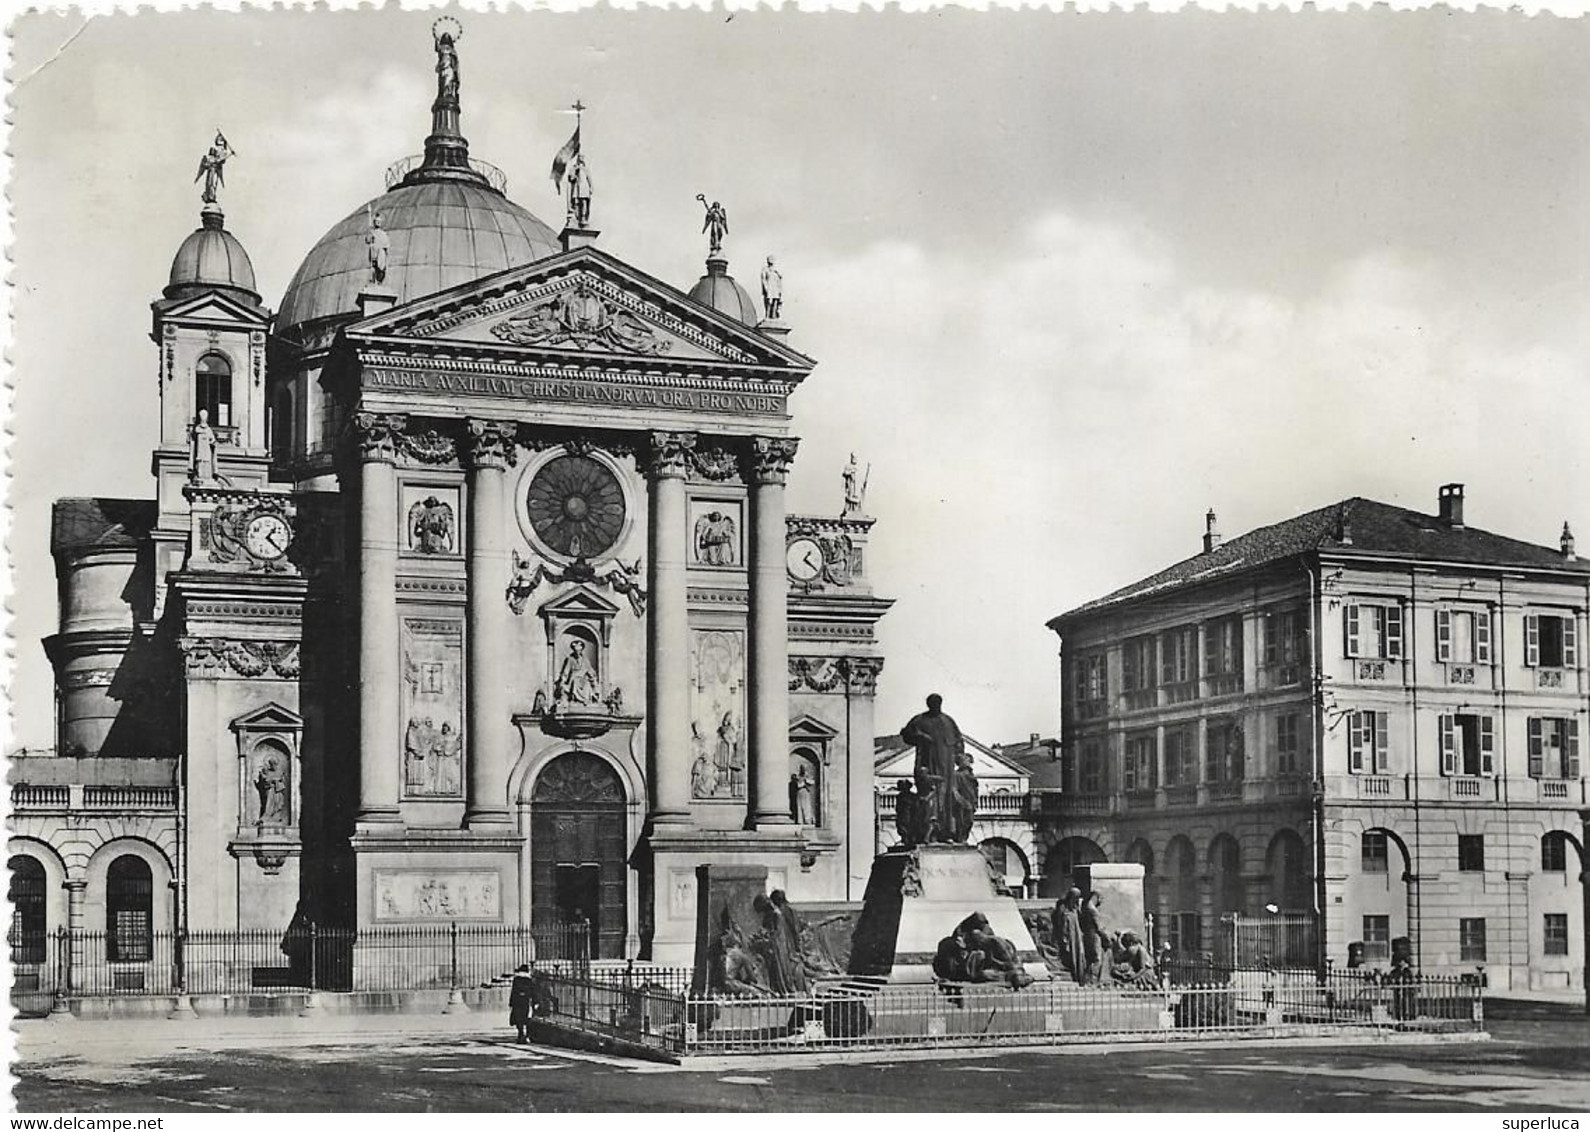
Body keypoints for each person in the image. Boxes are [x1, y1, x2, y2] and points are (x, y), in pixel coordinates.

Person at [900, 694, 965, 843]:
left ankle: (947, 832)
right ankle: (929, 834)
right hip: (927, 765)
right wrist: (920, 736)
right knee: (930, 800)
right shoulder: (920, 720)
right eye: (932, 703)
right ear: (928, 704)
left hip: (946, 769)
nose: (935, 705)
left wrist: (959, 758)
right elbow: (906, 734)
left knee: (947, 798)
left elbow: (959, 741)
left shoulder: (948, 721)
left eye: (938, 703)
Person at [1053, 887, 1086, 985]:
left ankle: (1080, 977)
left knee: (1080, 956)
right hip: (1068, 937)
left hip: (1077, 936)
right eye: (1075, 897)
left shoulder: (1075, 908)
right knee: (1071, 956)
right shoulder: (1062, 908)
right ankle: (1073, 976)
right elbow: (1060, 924)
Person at [1079, 890, 1108, 985]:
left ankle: (1087, 980)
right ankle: (1091, 981)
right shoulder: (1092, 910)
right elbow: (1098, 927)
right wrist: (1106, 937)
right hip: (1094, 935)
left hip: (1087, 935)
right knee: (1097, 959)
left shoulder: (1084, 908)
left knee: (1090, 958)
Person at [760, 255, 783, 320]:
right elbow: (763, 279)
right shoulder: (765, 269)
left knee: (775, 301)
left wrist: (780, 290)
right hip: (769, 288)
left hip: (775, 288)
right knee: (769, 302)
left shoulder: (776, 270)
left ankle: (773, 315)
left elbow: (780, 279)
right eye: (770, 259)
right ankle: (767, 315)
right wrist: (765, 288)